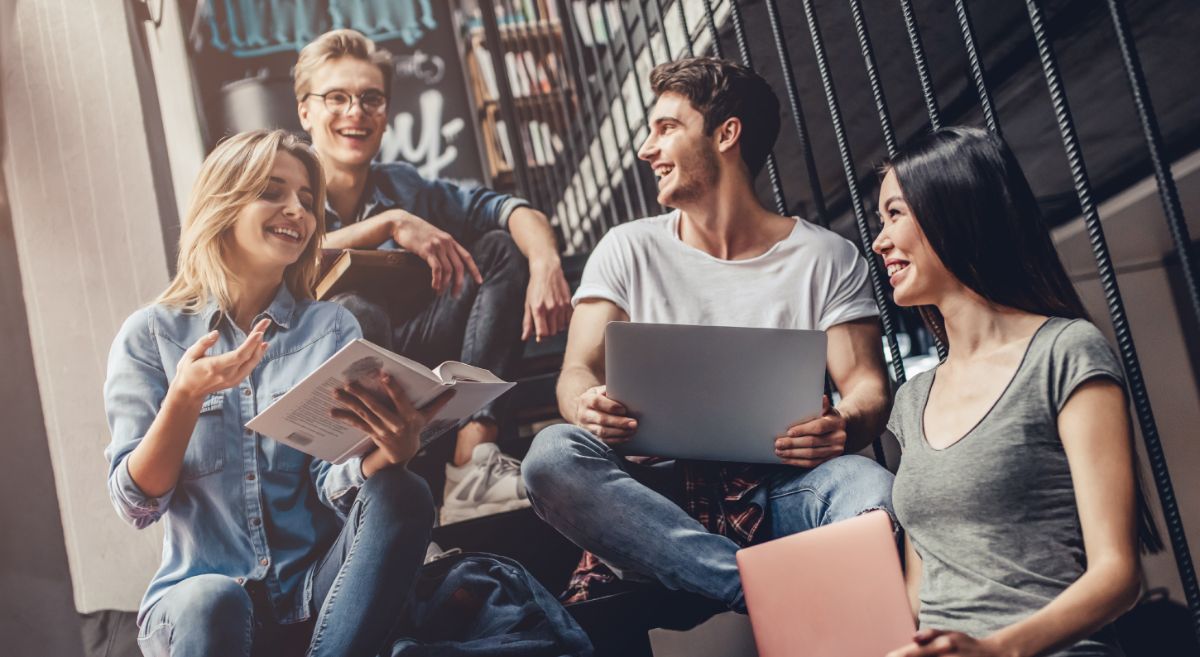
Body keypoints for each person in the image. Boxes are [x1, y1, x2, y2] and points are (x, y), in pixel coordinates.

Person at [519, 57, 896, 610]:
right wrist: (585, 406)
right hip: (655, 500)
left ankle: (744, 586)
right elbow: (577, 370)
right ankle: (766, 596)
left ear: (726, 134)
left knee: (870, 490)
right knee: (551, 455)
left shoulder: (826, 257)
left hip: (778, 490)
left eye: (666, 127)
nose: (647, 149)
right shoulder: (628, 247)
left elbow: (867, 384)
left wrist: (843, 421)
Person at [104, 130, 452, 656]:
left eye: (307, 202)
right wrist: (183, 399)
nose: (298, 211)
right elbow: (137, 503)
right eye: (273, 192)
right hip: (199, 600)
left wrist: (388, 453)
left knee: (404, 492)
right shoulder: (150, 336)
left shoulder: (331, 328)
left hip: (315, 593)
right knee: (213, 600)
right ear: (225, 202)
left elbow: (331, 480)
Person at [873, 126, 1161, 657]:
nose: (879, 240)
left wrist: (993, 650)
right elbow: (920, 592)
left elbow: (1119, 577)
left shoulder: (1065, 351)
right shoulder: (911, 400)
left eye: (894, 214)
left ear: (952, 211)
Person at [294, 29, 573, 524]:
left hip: (422, 365)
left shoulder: (403, 184)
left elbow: (505, 208)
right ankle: (372, 501)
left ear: (385, 113)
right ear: (305, 112)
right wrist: (388, 224)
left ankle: (473, 462)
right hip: (328, 397)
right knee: (352, 312)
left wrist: (546, 262)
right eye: (336, 97)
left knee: (497, 248)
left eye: (371, 98)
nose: (355, 111)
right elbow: (274, 261)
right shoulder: (284, 189)